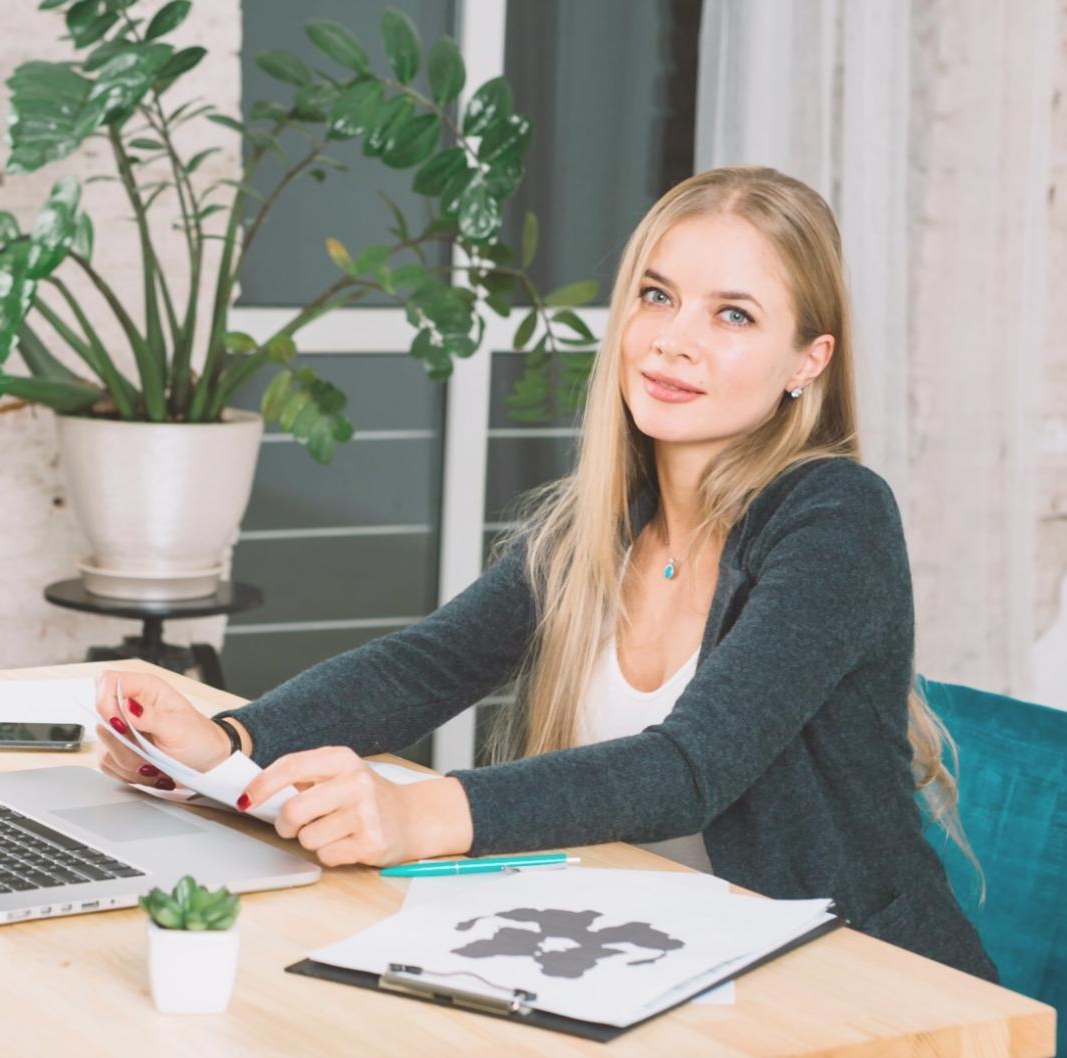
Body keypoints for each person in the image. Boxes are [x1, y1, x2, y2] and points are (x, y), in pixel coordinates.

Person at [92, 165, 998, 982]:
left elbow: (690, 769)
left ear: (809, 361)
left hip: (857, 992)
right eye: (657, 295)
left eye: (733, 314)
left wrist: (419, 817)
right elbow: (429, 665)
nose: (673, 340)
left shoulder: (835, 516)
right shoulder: (599, 524)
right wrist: (228, 747)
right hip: (652, 968)